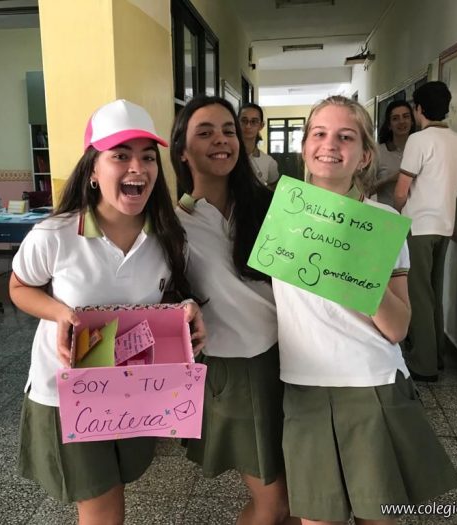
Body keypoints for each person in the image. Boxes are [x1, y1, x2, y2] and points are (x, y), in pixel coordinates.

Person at [9, 99, 205, 525]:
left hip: (134, 391)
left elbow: (170, 296)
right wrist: (59, 313)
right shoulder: (54, 235)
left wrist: (187, 311)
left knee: (115, 491)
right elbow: (19, 287)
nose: (138, 168)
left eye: (148, 157)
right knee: (102, 509)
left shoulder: (169, 236)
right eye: (120, 156)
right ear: (93, 171)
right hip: (67, 393)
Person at [273, 95, 457, 525]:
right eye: (319, 134)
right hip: (304, 386)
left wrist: (357, 270)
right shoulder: (281, 214)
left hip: (371, 383)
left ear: (364, 155)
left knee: (376, 516)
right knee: (317, 519)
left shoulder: (381, 223)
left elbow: (398, 328)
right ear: (304, 147)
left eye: (345, 136)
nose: (329, 144)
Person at [171, 95, 293, 524]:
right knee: (274, 503)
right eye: (205, 132)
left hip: (296, 361)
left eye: (228, 130)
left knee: (301, 499)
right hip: (235, 370)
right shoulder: (173, 224)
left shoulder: (272, 206)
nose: (221, 140)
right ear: (182, 151)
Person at [393, 81, 457, 381]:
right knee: (434, 292)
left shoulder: (419, 141)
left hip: (419, 226)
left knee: (418, 294)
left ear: (419, 108)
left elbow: (401, 191)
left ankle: (423, 364)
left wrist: (396, 211)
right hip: (445, 226)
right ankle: (436, 356)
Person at [372, 100, 415, 207]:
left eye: (406, 116)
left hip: (417, 214)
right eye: (395, 118)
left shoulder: (421, 149)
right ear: (389, 125)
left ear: (412, 121)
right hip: (388, 214)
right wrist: (389, 179)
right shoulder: (378, 152)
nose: (401, 121)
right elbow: (365, 189)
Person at [239, 102, 280, 190]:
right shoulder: (227, 157)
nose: (248, 126)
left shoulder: (269, 163)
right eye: (244, 121)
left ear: (261, 126)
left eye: (254, 121)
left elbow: (273, 193)